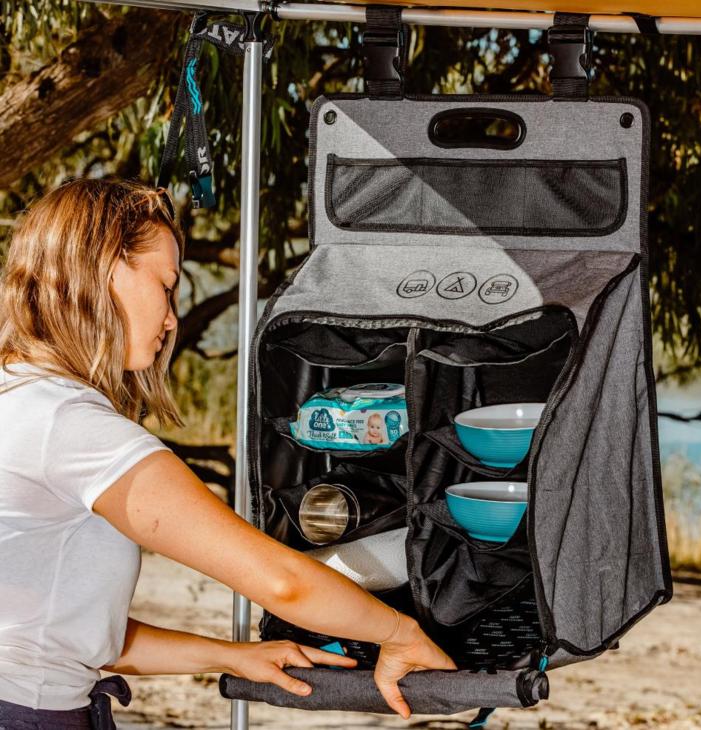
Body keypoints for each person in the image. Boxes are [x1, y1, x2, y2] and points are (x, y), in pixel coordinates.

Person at [0, 179, 456, 729]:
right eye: (166, 285)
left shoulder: (17, 396)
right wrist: (399, 633)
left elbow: (65, 639)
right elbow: (280, 581)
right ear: (106, 269)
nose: (172, 318)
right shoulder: (71, 426)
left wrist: (233, 656)